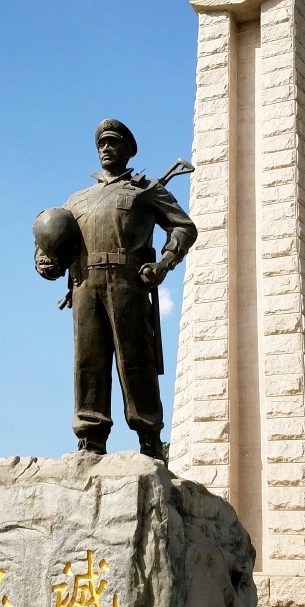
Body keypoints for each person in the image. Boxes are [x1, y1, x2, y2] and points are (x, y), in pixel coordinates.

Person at [35, 119, 197, 459]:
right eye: (101, 145)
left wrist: (164, 264)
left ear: (128, 150)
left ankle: (149, 438)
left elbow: (183, 228)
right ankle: (90, 438)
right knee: (88, 362)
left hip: (128, 283)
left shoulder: (146, 190)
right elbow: (52, 243)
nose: (105, 149)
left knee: (136, 361)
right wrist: (44, 262)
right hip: (84, 284)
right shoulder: (76, 200)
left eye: (113, 143)